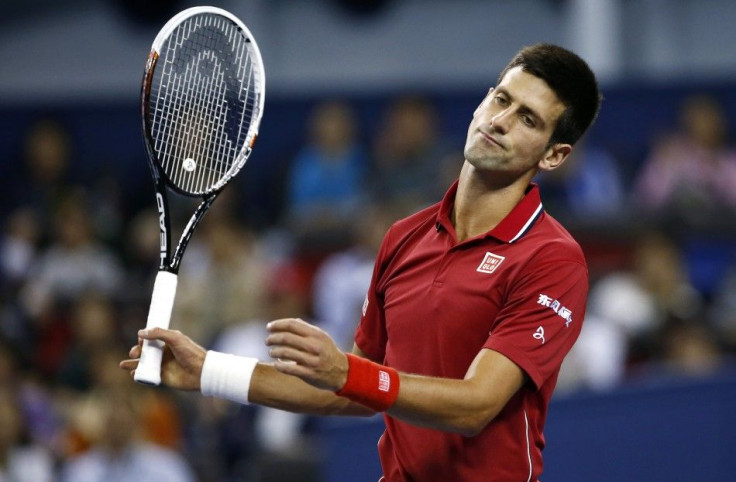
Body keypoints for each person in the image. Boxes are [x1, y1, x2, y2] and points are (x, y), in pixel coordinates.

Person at [121, 43, 602, 481]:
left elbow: (477, 405)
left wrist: (348, 373)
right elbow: (351, 389)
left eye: (529, 120)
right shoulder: (404, 237)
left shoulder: (552, 260)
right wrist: (207, 371)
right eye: (501, 100)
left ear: (555, 155)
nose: (500, 121)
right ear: (482, 102)